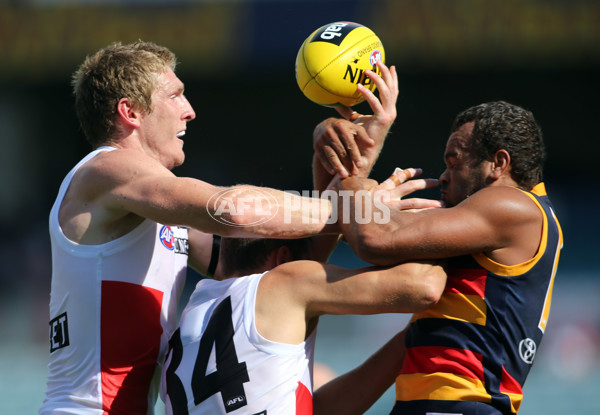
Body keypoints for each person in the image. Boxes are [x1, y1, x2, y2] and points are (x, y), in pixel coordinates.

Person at [40, 39, 402, 414]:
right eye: (175, 96)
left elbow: (264, 264)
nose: (190, 111)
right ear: (130, 111)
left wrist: (355, 163)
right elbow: (236, 212)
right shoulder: (104, 169)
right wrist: (357, 208)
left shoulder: (149, 210)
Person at [336, 101, 564, 414]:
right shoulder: (473, 264)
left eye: (454, 162)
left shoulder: (512, 204)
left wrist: (353, 178)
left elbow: (374, 238)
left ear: (498, 164)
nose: (443, 177)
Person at [160, 233, 446, 415]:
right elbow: (424, 286)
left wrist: (410, 340)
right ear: (284, 259)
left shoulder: (196, 308)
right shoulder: (286, 281)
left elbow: (314, 411)